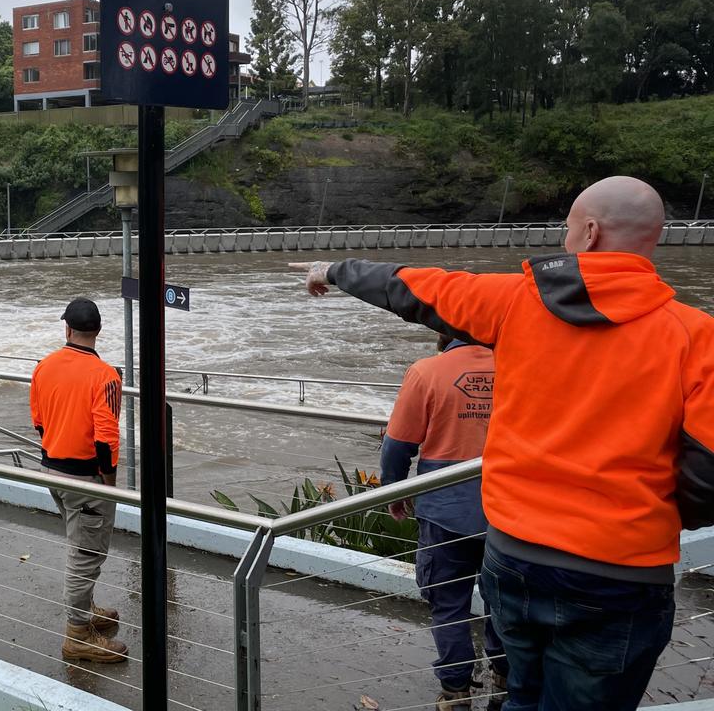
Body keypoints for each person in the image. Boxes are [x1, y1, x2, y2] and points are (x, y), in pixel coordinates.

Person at [289, 176, 714, 711]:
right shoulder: (697, 337)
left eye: (566, 229)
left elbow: (414, 287)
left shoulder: (514, 301)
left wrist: (329, 271)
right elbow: (707, 474)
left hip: (514, 554)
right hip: (621, 571)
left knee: (522, 693)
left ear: (589, 231)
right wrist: (656, 516)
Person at [383, 334, 508, 710]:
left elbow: (398, 444)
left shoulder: (427, 371)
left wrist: (393, 490)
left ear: (442, 336)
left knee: (448, 603)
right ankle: (506, 677)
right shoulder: (520, 367)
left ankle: (455, 692)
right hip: (511, 510)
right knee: (504, 601)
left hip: (446, 508)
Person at [30, 297, 127, 664]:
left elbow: (38, 419)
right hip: (86, 478)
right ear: (98, 332)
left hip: (51, 469)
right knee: (85, 556)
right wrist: (108, 482)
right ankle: (77, 635)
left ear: (66, 328)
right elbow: (106, 437)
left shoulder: (44, 367)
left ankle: (85, 609)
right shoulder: (105, 375)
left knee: (80, 544)